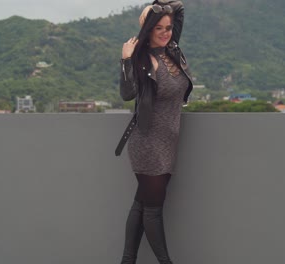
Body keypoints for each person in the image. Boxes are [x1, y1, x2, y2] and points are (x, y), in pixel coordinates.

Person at [116, 1, 193, 263]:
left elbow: (179, 11)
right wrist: (126, 59)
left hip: (168, 141)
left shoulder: (171, 49)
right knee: (153, 210)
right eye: (158, 27)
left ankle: (127, 260)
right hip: (147, 143)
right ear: (147, 30)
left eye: (168, 28)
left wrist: (157, 6)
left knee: (142, 204)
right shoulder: (142, 58)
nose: (165, 32)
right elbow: (127, 94)